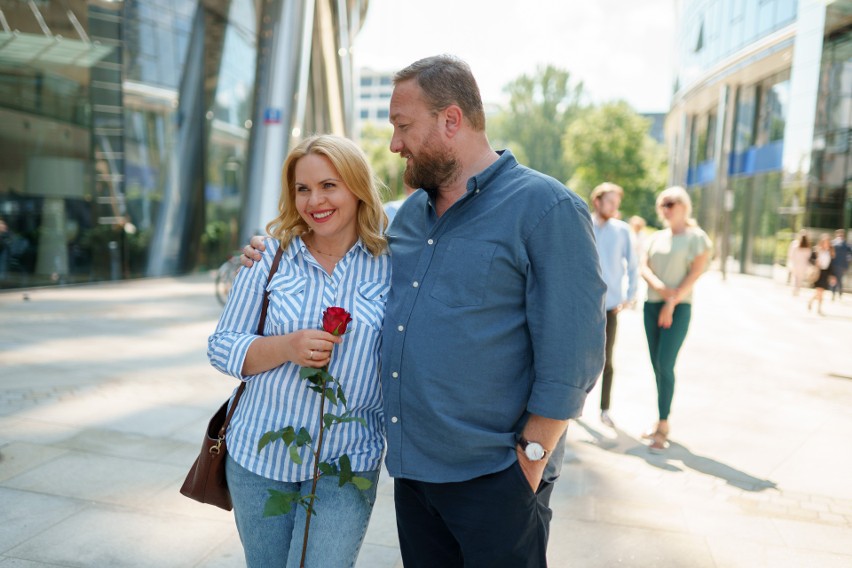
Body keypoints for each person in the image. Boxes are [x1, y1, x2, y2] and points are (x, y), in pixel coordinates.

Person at [243, 54, 606, 567]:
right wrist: (272, 249)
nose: (394, 144)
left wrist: (529, 461)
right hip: (414, 479)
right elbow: (335, 241)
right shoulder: (407, 217)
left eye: (402, 126)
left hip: (497, 478)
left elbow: (574, 355)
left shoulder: (547, 209)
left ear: (450, 121)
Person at [208, 135, 391, 567]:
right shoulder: (269, 256)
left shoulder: (392, 263)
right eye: (302, 188)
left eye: (330, 185)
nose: (315, 200)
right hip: (259, 456)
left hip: (348, 461)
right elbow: (222, 346)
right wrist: (286, 347)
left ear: (357, 187)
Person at [640, 186, 711, 453]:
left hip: (678, 308)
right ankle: (660, 417)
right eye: (663, 204)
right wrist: (659, 288)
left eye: (672, 203)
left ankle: (663, 425)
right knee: (656, 365)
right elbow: (644, 266)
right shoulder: (656, 237)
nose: (667, 209)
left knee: (665, 363)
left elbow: (695, 272)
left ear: (684, 206)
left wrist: (671, 301)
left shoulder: (696, 237)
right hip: (651, 305)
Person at [589, 183, 638, 428]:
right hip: (584, 306)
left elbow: (633, 264)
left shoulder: (622, 231)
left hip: (610, 306)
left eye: (616, 202)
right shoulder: (583, 223)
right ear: (597, 201)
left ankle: (604, 408)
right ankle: (571, 408)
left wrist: (630, 294)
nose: (614, 207)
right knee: (575, 358)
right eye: (609, 201)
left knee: (607, 360)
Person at [807, 233, 835, 315]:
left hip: (825, 273)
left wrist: (832, 276)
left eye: (828, 242)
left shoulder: (830, 252)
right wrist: (815, 262)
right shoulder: (817, 250)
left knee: (820, 291)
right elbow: (810, 259)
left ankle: (811, 301)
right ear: (822, 242)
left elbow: (831, 265)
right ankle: (819, 308)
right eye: (825, 242)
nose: (827, 244)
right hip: (818, 272)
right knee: (820, 291)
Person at [787, 231, 813, 296]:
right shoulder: (807, 247)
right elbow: (808, 256)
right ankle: (797, 290)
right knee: (799, 279)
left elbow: (790, 255)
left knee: (795, 278)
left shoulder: (794, 244)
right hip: (803, 265)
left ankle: (794, 290)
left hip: (795, 264)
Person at [830, 229, 850, 300]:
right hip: (834, 265)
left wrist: (846, 265)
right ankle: (833, 293)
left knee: (840, 280)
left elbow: (849, 255)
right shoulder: (833, 243)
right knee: (833, 280)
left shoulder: (846, 244)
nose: (840, 235)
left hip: (841, 266)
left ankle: (840, 293)